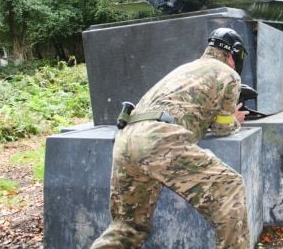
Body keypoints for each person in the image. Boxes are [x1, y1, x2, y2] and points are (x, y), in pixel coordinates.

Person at [91, 28, 250, 249]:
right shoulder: (229, 74)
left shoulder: (187, 69)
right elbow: (223, 128)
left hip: (126, 136)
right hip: (158, 139)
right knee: (230, 187)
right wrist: (235, 118)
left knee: (128, 227)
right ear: (233, 55)